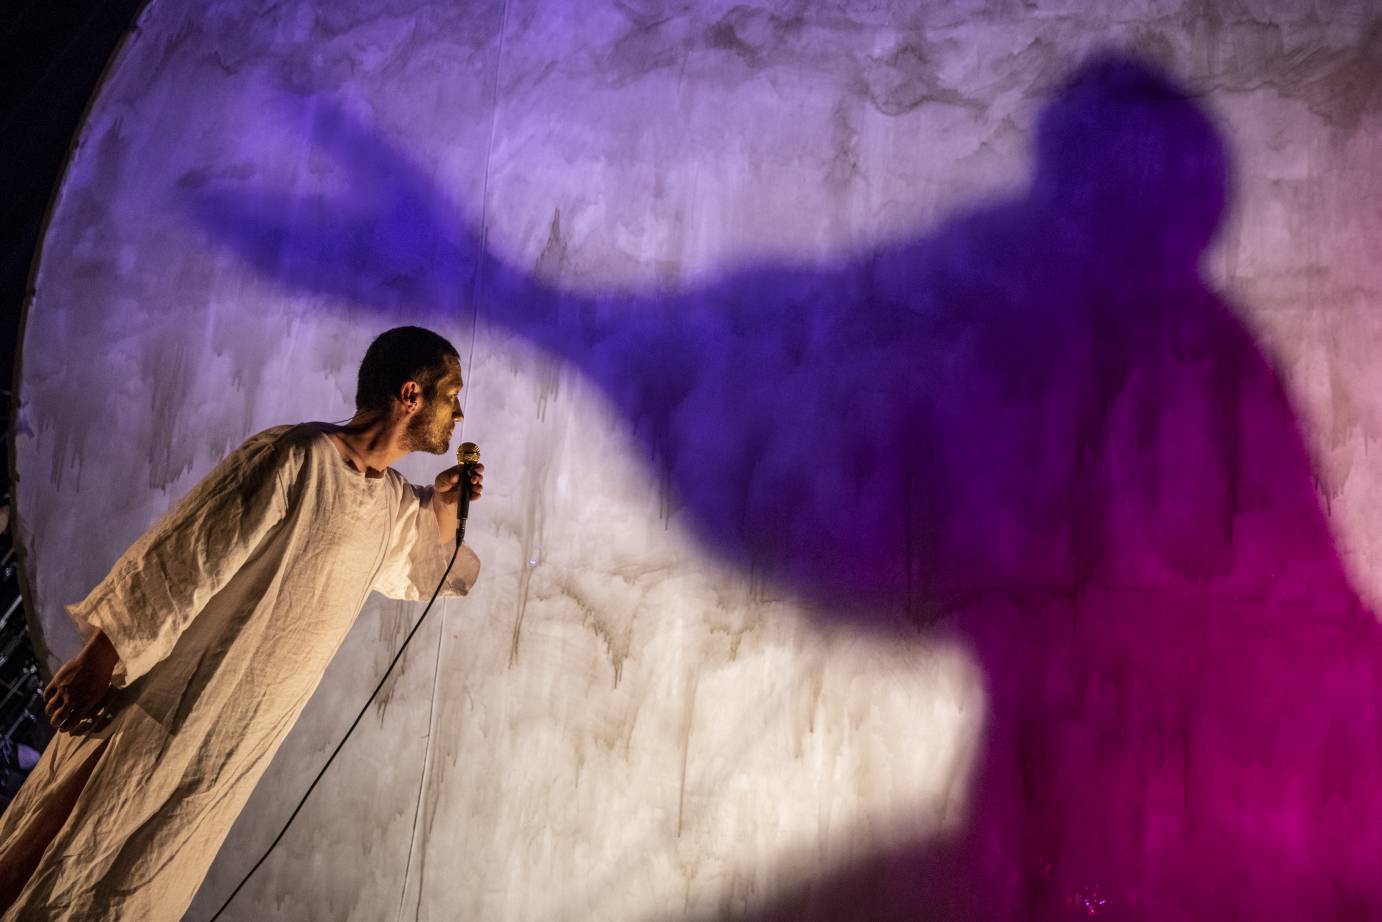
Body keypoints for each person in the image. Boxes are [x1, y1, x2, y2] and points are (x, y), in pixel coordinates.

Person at [0, 325, 483, 920]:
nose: (459, 411)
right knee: (74, 849)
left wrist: (440, 506)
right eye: (451, 394)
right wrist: (102, 656)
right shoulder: (297, 457)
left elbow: (422, 570)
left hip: (231, 743)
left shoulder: (387, 503)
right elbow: (185, 557)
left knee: (142, 883)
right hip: (169, 711)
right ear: (411, 394)